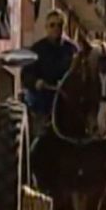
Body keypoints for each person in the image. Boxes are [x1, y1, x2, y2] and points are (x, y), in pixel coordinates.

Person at [22, 10, 79, 139]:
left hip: (66, 99)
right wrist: (36, 82)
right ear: (46, 27)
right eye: (52, 25)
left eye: (59, 25)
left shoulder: (72, 50)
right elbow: (26, 74)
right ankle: (35, 142)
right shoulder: (37, 49)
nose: (56, 28)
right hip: (43, 97)